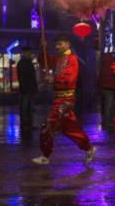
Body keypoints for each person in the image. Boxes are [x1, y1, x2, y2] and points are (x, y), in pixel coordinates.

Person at [32, 35, 95, 165]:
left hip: (65, 99)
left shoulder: (72, 59)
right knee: (69, 128)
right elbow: (44, 61)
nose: (57, 47)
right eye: (56, 44)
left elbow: (69, 79)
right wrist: (42, 48)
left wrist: (54, 79)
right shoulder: (58, 58)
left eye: (60, 44)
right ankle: (89, 148)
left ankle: (45, 155)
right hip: (59, 98)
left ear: (68, 44)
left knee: (48, 125)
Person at [16, 47, 38, 129]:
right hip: (27, 89)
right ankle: (27, 124)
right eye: (28, 53)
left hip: (26, 89)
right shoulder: (25, 63)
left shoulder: (24, 63)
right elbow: (27, 78)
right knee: (26, 108)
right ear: (24, 53)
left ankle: (27, 124)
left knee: (27, 108)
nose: (30, 54)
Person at [99, 53, 115, 126]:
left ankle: (105, 120)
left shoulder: (103, 68)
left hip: (104, 89)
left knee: (105, 106)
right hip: (109, 89)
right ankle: (108, 122)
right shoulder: (110, 69)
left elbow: (100, 80)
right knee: (109, 106)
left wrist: (99, 89)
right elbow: (113, 80)